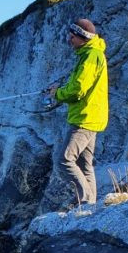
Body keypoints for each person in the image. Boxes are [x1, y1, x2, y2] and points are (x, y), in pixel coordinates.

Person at [45, 17, 108, 207]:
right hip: (92, 116)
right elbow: (79, 84)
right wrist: (60, 88)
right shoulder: (88, 54)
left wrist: (58, 93)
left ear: (83, 37)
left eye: (73, 36)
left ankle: (86, 200)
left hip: (84, 118)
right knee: (84, 164)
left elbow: (78, 89)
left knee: (64, 160)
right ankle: (92, 205)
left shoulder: (90, 57)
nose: (69, 39)